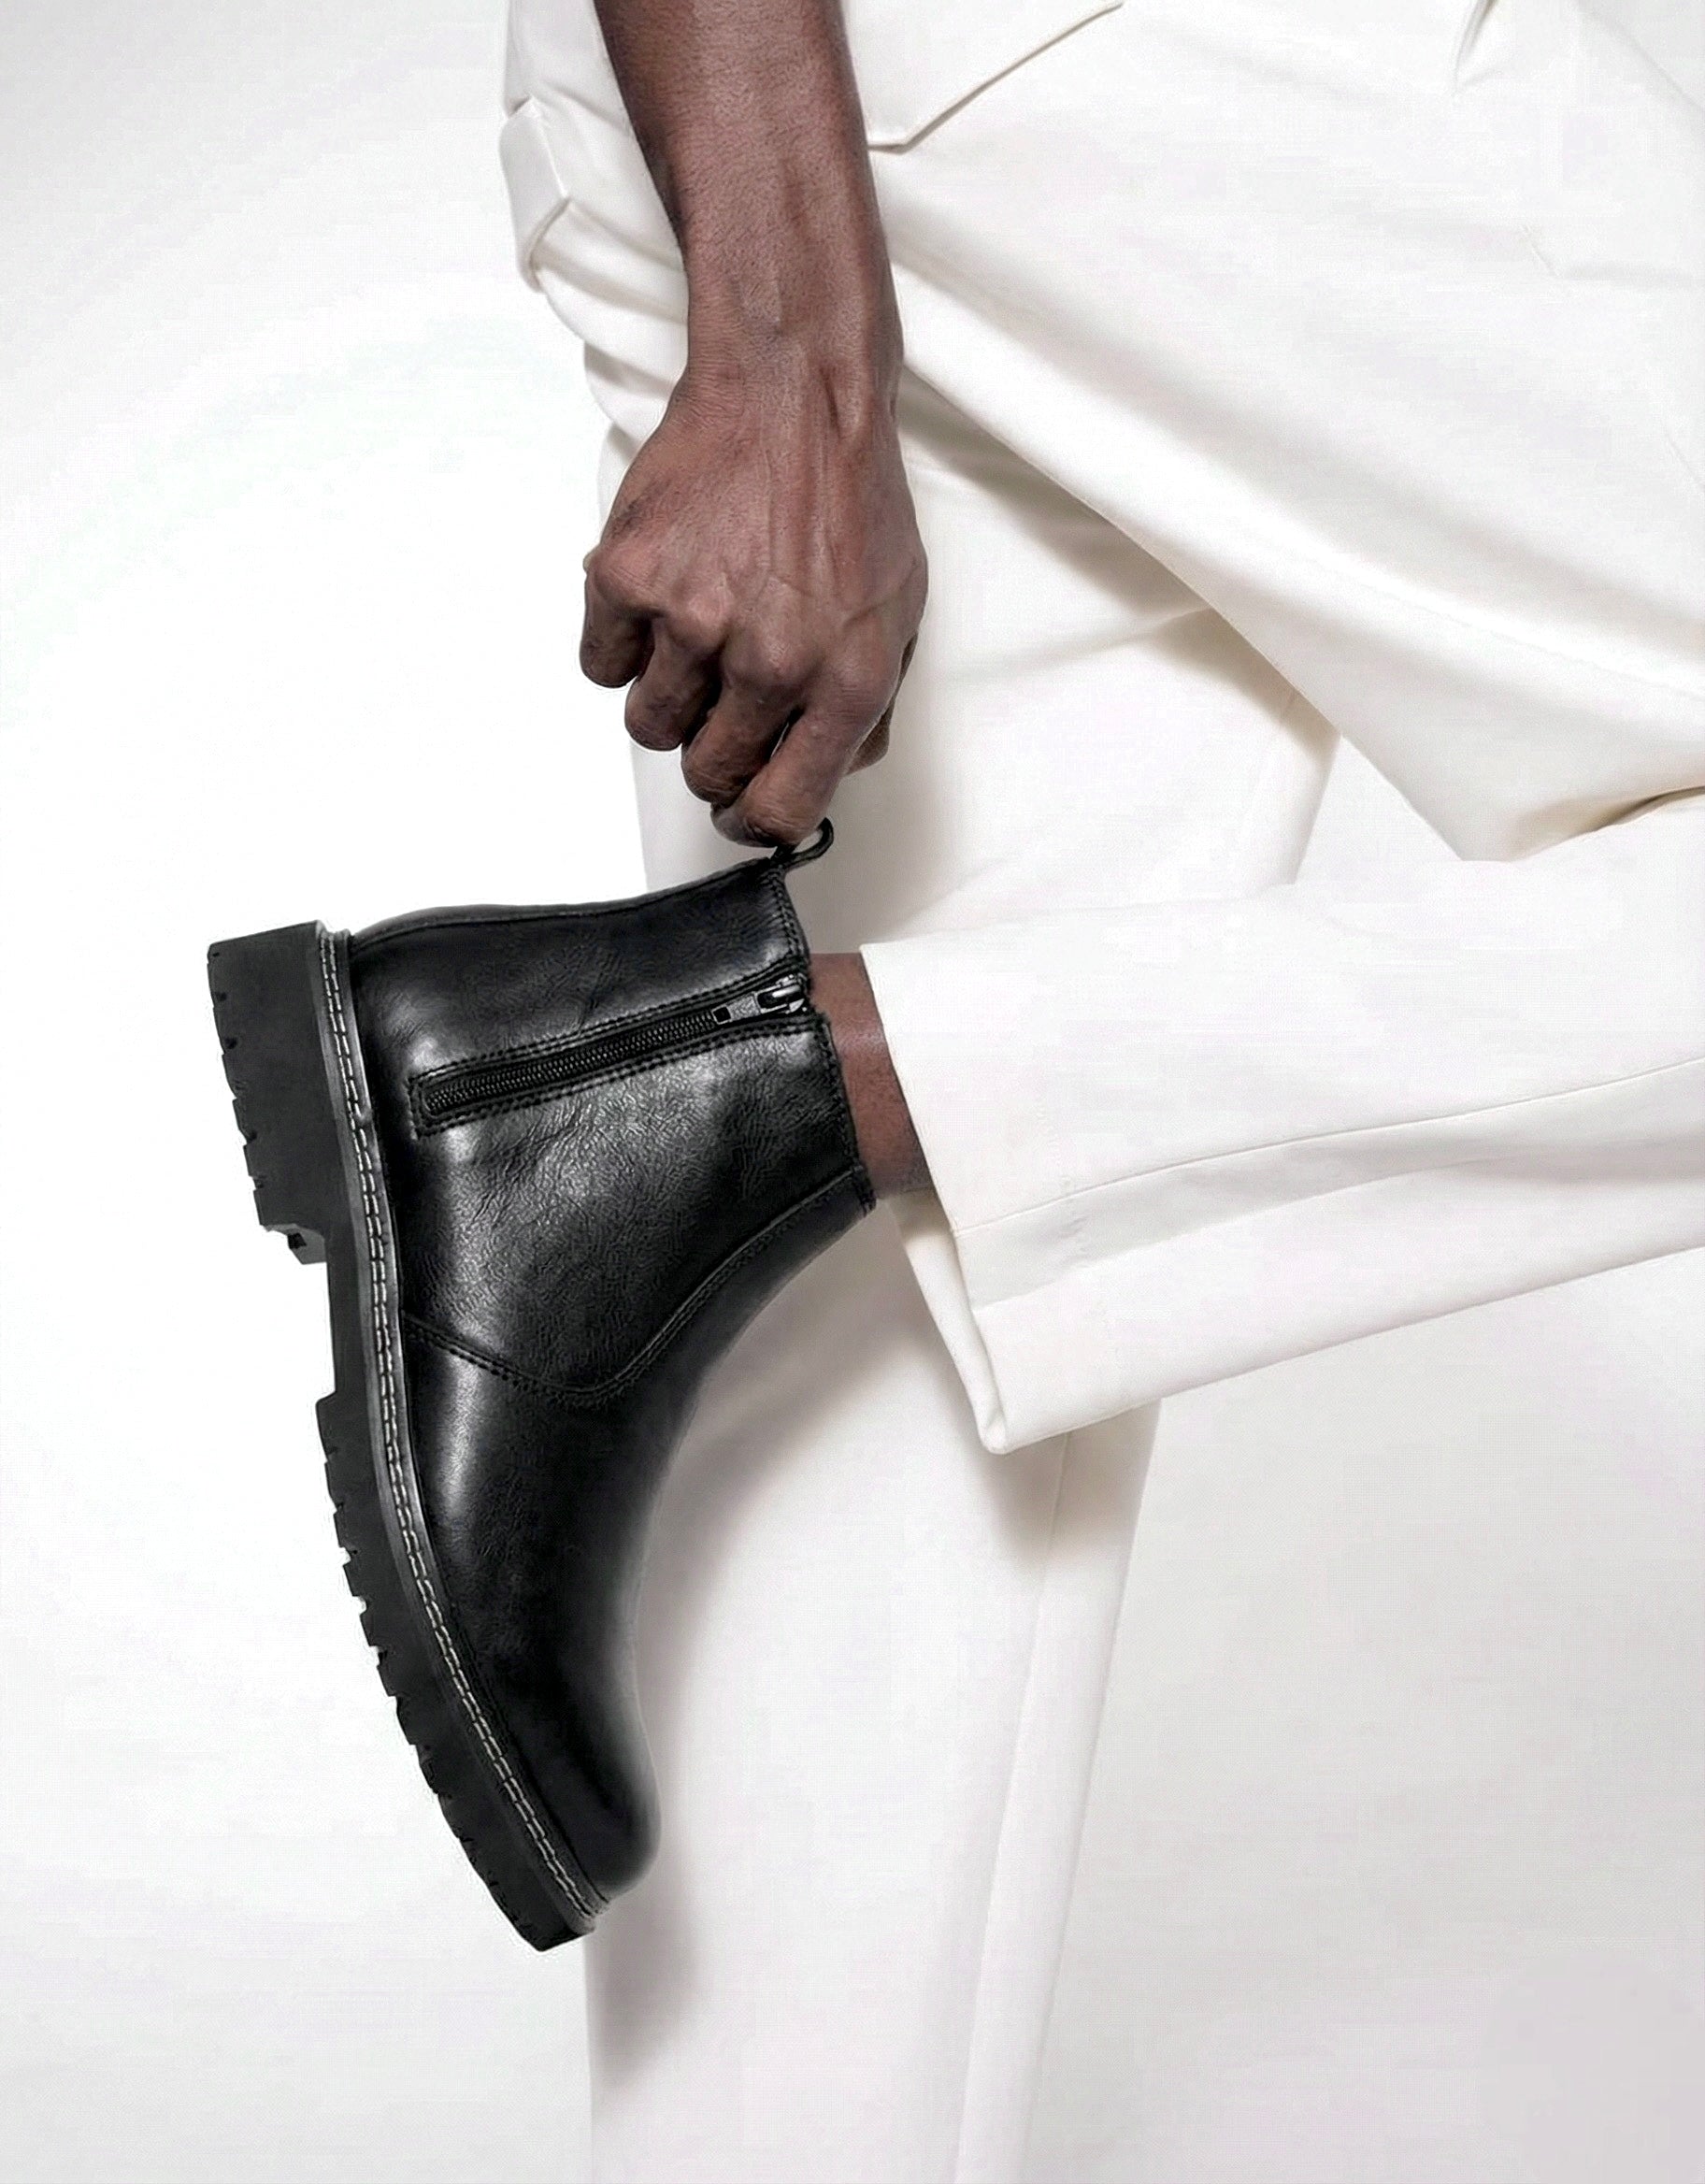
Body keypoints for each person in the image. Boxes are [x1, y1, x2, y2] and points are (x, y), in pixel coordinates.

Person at [213, 0, 1705, 2177]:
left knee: (865, 1435)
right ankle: (725, 1086)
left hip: (838, 115)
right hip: (1097, 75)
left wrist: (786, 298)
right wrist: (790, 352)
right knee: (867, 1303)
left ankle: (680, 1113)